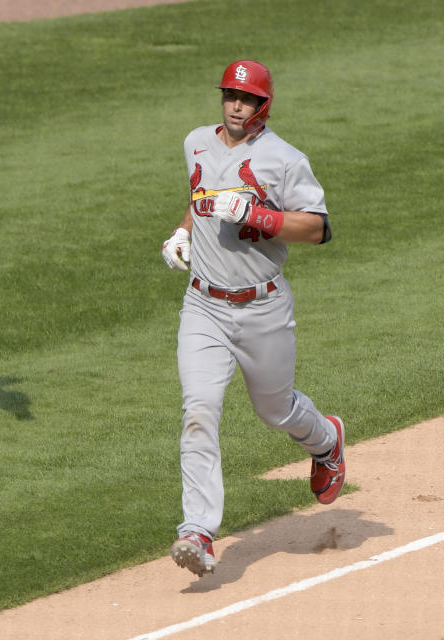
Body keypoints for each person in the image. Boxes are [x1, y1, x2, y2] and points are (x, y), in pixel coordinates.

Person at [160, 60, 345, 577]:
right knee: (199, 411)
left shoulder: (284, 160)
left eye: (246, 99)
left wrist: (258, 215)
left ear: (263, 105)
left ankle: (326, 441)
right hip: (203, 307)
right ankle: (197, 531)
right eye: (229, 96)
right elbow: (201, 198)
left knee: (276, 411)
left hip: (262, 308)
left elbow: (317, 228)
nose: (235, 106)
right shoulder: (196, 141)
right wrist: (182, 233)